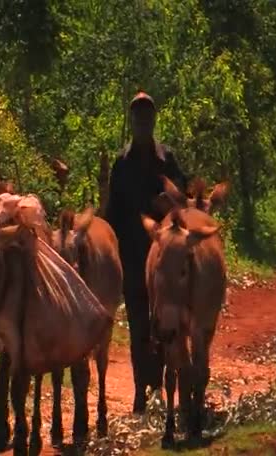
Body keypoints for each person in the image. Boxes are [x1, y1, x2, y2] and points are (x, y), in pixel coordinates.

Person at [104, 90, 189, 414]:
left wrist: (167, 203)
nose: (142, 122)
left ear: (154, 120)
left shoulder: (167, 159)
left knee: (166, 322)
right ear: (132, 121)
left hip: (166, 260)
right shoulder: (121, 164)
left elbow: (182, 201)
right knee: (140, 326)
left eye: (147, 116)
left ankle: (162, 389)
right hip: (134, 257)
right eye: (137, 117)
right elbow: (112, 212)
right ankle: (142, 391)